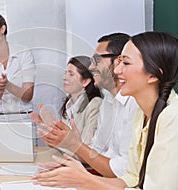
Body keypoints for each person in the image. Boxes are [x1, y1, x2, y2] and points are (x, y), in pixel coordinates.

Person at [33, 31, 178, 190]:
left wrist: (86, 180)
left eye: (126, 63)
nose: (117, 70)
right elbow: (132, 178)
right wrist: (77, 179)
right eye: (119, 62)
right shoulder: (141, 113)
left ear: (153, 75)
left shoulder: (177, 117)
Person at [31, 33, 138, 178]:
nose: (92, 67)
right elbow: (97, 151)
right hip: (105, 180)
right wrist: (71, 162)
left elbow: (124, 170)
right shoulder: (108, 102)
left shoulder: (134, 103)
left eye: (96, 61)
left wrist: (75, 146)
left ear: (119, 62)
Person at [49, 56, 102, 156]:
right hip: (68, 161)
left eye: (71, 74)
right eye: (65, 73)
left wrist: (61, 143)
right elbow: (63, 144)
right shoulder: (69, 104)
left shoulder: (95, 104)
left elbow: (85, 150)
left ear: (85, 81)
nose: (64, 77)